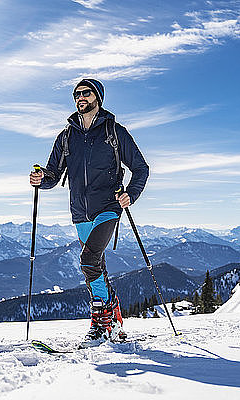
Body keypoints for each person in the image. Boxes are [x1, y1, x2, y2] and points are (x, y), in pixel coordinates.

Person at [29, 78, 149, 346]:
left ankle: (100, 321)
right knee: (96, 267)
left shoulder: (115, 132)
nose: (80, 97)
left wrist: (132, 192)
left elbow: (141, 168)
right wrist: (41, 180)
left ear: (98, 98)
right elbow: (53, 173)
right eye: (76, 94)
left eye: (86, 93)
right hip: (79, 211)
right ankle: (113, 313)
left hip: (109, 206)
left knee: (88, 259)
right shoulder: (66, 137)